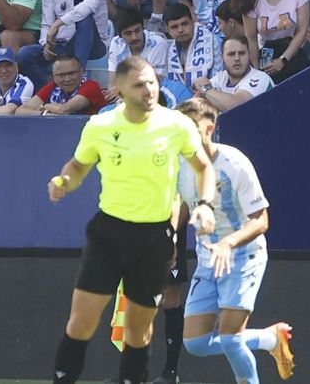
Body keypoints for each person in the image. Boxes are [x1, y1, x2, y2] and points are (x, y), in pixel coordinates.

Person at [44, 56, 217, 384]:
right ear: (119, 90)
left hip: (155, 240)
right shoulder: (100, 126)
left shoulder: (176, 124)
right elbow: (78, 166)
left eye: (152, 82)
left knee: (138, 333)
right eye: (139, 85)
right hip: (109, 235)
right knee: (81, 322)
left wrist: (205, 204)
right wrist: (63, 182)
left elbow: (203, 168)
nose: (149, 90)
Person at [174, 97, 296, 384]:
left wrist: (228, 244)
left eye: (194, 127)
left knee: (230, 339)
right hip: (207, 260)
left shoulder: (235, 163)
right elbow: (180, 206)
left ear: (210, 128)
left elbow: (261, 220)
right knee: (195, 344)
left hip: (244, 257)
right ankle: (269, 339)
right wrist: (167, 241)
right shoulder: (179, 164)